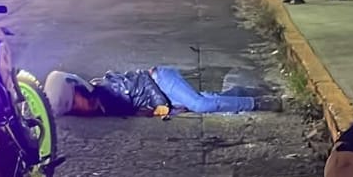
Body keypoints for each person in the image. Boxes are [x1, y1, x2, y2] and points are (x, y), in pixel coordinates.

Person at [42, 67, 271, 118]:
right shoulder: (100, 108)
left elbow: (144, 83)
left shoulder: (108, 87)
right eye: (73, 106)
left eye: (76, 100)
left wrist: (162, 106)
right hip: (164, 92)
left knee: (201, 105)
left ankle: (257, 103)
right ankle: (240, 93)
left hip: (159, 78)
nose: (78, 105)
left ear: (80, 89)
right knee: (205, 100)